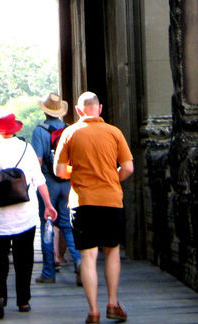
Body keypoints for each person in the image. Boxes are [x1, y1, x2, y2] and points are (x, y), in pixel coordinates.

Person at [54, 91, 134, 324]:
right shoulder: (114, 132)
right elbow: (128, 167)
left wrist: (76, 172)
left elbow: (59, 171)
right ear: (99, 109)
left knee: (88, 256)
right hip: (110, 199)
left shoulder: (70, 133)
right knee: (112, 251)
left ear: (79, 111)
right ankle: (112, 302)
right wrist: (111, 178)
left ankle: (93, 311)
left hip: (83, 201)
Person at [0, 112, 57, 318]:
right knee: (24, 258)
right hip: (25, 215)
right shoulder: (26, 148)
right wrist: (48, 204)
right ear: (15, 129)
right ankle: (23, 301)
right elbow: (39, 180)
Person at [30, 91, 81, 285]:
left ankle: (48, 272)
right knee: (68, 225)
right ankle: (78, 262)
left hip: (49, 184)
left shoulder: (39, 131)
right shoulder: (70, 130)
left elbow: (38, 161)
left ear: (45, 111)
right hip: (67, 183)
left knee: (48, 226)